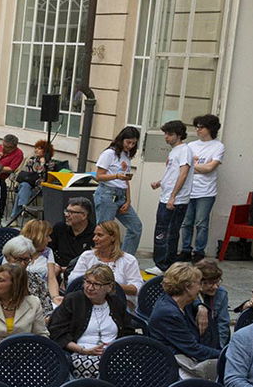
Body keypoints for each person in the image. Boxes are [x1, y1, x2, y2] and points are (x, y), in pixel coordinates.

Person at [49, 264, 135, 376]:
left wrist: (116, 350)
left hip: (112, 354)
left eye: (96, 284)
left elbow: (128, 331)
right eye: (87, 282)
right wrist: (83, 350)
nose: (90, 287)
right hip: (80, 354)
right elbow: (57, 332)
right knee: (107, 368)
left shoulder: (116, 303)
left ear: (109, 287)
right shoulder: (73, 301)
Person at [149, 262, 221, 379]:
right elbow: (193, 349)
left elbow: (196, 299)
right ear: (187, 287)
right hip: (172, 365)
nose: (200, 288)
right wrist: (224, 354)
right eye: (199, 283)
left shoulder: (182, 302)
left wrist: (201, 306)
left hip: (185, 357)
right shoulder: (168, 313)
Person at [180, 113, 224, 260]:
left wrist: (192, 165)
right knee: (186, 223)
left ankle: (199, 252)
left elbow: (209, 168)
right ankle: (185, 250)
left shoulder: (218, 146)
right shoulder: (190, 146)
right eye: (196, 127)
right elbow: (182, 167)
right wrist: (197, 166)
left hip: (206, 191)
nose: (197, 130)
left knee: (201, 223)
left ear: (210, 128)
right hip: (188, 190)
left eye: (201, 127)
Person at [93, 126, 143, 256]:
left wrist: (128, 199)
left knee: (136, 227)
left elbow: (126, 180)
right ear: (121, 139)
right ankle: (101, 257)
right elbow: (99, 176)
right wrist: (116, 176)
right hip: (107, 193)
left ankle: (125, 258)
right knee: (105, 231)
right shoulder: (109, 154)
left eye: (133, 143)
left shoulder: (126, 156)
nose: (130, 146)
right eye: (128, 142)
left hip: (121, 195)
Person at [150, 119, 192, 272]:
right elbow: (172, 174)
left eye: (170, 134)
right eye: (165, 134)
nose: (166, 137)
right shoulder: (174, 151)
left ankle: (165, 264)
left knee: (168, 232)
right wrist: (160, 183)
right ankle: (160, 263)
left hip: (175, 199)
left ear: (179, 135)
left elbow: (183, 173)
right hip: (166, 196)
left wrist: (173, 196)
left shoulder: (184, 150)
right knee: (161, 230)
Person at [67, 219, 141, 297]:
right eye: (94, 234)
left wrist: (109, 286)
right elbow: (73, 280)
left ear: (113, 237)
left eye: (100, 235)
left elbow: (137, 288)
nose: (94, 238)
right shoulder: (87, 256)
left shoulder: (129, 260)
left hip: (119, 303)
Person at [50, 198, 94, 274]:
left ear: (84, 215)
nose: (66, 215)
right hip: (58, 271)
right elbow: (48, 250)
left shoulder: (95, 233)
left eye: (71, 212)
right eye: (66, 211)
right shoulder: (59, 228)